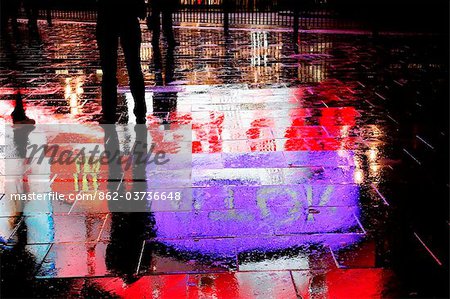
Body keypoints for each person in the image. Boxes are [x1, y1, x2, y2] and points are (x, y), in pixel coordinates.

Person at [96, 0, 147, 124]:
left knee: (108, 71)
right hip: (129, 17)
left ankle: (109, 113)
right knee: (134, 67)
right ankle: (140, 110)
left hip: (107, 18)